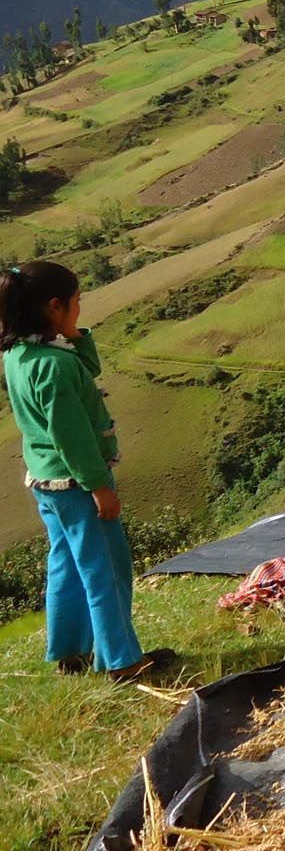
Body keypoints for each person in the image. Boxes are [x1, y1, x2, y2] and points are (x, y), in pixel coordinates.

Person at [1, 262, 174, 682]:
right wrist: (99, 488)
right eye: (76, 303)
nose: (81, 309)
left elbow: (87, 370)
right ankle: (123, 661)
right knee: (106, 570)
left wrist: (73, 334)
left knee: (66, 563)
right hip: (78, 485)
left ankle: (70, 651)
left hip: (47, 483)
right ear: (54, 307)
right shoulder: (54, 367)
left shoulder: (19, 355)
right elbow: (73, 436)